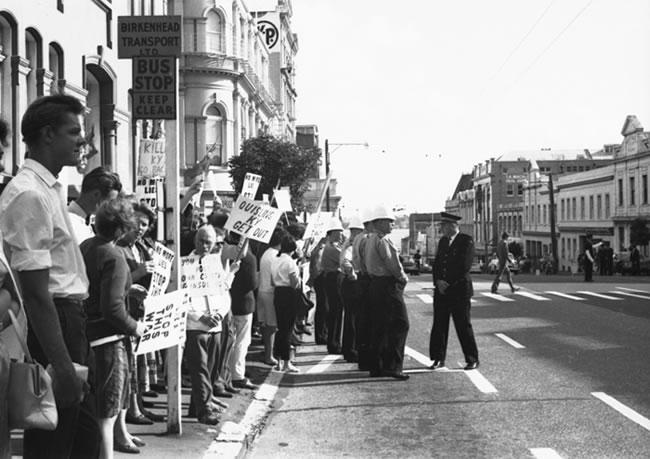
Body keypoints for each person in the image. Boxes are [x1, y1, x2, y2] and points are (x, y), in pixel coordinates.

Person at [0, 94, 101, 458]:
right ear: (47, 134)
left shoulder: (48, 188)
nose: (82, 142)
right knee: (55, 441)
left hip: (69, 318)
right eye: (74, 132)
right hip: (55, 321)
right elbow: (37, 292)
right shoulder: (29, 193)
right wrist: (61, 365)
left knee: (83, 437)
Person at [81, 199, 148, 457]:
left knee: (91, 411)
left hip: (85, 337)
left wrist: (127, 289)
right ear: (121, 229)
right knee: (106, 414)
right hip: (109, 342)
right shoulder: (115, 256)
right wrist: (136, 327)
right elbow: (113, 310)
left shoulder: (85, 246)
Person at [184, 225, 237, 425]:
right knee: (199, 369)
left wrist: (218, 314)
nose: (204, 245)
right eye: (201, 241)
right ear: (195, 240)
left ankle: (195, 406)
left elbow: (223, 293)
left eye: (209, 242)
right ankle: (204, 410)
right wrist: (200, 316)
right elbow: (183, 296)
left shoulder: (215, 263)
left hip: (215, 325)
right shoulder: (186, 264)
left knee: (211, 368)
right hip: (195, 326)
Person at [365, 204, 410, 380]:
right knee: (400, 324)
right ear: (381, 223)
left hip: (375, 284)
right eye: (390, 222)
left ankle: (376, 365)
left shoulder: (369, 239)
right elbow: (393, 264)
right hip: (387, 285)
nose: (392, 225)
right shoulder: (383, 240)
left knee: (379, 326)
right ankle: (393, 366)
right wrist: (402, 277)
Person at [430, 212, 479, 371]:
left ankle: (471, 359)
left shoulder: (466, 241)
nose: (441, 229)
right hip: (442, 291)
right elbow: (437, 264)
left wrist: (447, 282)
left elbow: (464, 265)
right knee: (439, 325)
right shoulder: (443, 242)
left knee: (463, 325)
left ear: (452, 225)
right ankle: (438, 357)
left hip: (458, 290)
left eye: (443, 226)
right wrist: (438, 281)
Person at [227, 232, 259, 391]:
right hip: (244, 303)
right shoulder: (249, 258)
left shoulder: (223, 252)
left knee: (231, 341)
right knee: (241, 342)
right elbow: (253, 283)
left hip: (228, 301)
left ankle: (229, 373)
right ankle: (237, 375)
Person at [272, 233, 302, 373]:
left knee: (280, 328)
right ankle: (286, 362)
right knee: (288, 329)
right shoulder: (290, 262)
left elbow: (272, 281)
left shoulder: (275, 260)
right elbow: (295, 283)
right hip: (289, 294)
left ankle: (278, 360)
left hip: (277, 293)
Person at [68, 166, 122, 243]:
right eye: (109, 201)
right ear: (96, 195)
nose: (110, 207)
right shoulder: (69, 222)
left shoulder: (88, 221)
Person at [256, 227, 285, 366]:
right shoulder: (275, 255)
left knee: (265, 324)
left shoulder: (267, 253)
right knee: (271, 326)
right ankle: (269, 355)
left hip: (263, 290)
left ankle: (268, 352)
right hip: (270, 292)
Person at [352, 208, 374, 371]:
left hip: (360, 278)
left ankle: (362, 356)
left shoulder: (358, 238)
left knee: (362, 320)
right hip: (367, 278)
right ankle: (367, 359)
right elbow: (368, 261)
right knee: (369, 322)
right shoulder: (367, 239)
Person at [339, 215, 364, 363]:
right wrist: (353, 275)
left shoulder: (349, 243)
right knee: (353, 318)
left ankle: (349, 349)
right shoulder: (351, 245)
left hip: (348, 284)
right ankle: (352, 350)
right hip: (352, 283)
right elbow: (347, 262)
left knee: (351, 318)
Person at [321, 218, 344, 355]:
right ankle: (334, 343)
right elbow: (345, 259)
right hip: (334, 278)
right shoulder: (332, 249)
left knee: (335, 312)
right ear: (332, 233)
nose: (341, 235)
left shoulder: (331, 246)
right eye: (339, 232)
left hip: (332, 278)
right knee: (336, 312)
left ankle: (334, 342)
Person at [308, 237, 328, 345]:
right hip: (321, 278)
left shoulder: (318, 248)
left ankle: (323, 333)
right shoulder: (320, 249)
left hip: (319, 278)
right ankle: (321, 335)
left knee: (323, 307)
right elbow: (315, 266)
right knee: (323, 307)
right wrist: (314, 278)